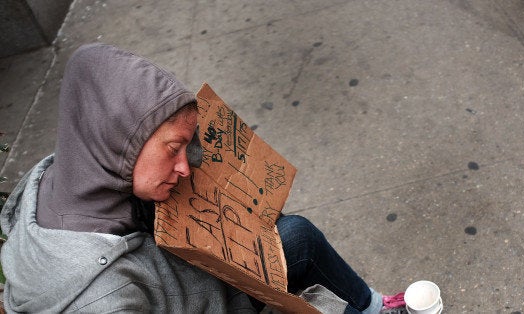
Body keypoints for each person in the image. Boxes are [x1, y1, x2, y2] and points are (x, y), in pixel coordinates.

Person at [0, 43, 406, 313]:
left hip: (197, 281)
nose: (184, 166)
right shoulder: (102, 299)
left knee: (297, 236)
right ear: (120, 142)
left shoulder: (75, 172)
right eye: (173, 149)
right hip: (214, 298)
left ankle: (372, 307)